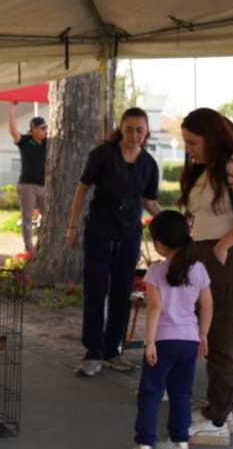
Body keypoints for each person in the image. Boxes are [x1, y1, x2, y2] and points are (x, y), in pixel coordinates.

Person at [178, 107, 233, 444]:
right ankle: (220, 409)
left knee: (223, 337)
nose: (189, 149)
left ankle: (219, 417)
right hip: (206, 257)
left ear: (212, 137)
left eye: (193, 142)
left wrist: (224, 245)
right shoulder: (209, 169)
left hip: (228, 260)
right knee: (215, 336)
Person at [65, 107, 161, 377]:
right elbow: (82, 188)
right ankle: (92, 352)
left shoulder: (149, 164)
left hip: (129, 232)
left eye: (139, 130)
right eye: (129, 128)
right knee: (96, 288)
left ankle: (112, 350)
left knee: (122, 291)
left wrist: (170, 224)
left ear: (146, 132)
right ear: (121, 128)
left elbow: (149, 200)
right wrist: (72, 225)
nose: (134, 134)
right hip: (100, 229)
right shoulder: (103, 155)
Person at [130, 210, 212, 449]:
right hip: (189, 342)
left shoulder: (156, 270)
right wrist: (203, 335)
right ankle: (180, 443)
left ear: (159, 244)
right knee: (181, 394)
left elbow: (154, 308)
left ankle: (144, 447)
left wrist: (150, 341)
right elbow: (208, 305)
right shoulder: (198, 269)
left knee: (151, 393)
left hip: (163, 341)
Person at [7, 103, 48, 253]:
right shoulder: (26, 141)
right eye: (42, 128)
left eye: (46, 128)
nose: (46, 131)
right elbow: (13, 132)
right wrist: (12, 110)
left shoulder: (46, 143)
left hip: (44, 186)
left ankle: (43, 247)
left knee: (48, 217)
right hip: (28, 186)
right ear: (34, 129)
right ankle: (29, 249)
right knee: (28, 219)